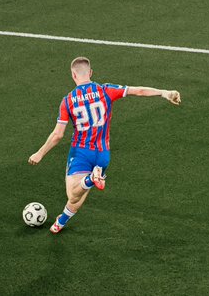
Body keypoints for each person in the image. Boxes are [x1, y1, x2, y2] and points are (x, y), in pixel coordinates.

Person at [27, 57, 181, 233]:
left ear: (73, 74)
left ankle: (91, 178)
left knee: (73, 193)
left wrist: (40, 153)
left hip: (81, 152)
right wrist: (164, 93)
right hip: (102, 154)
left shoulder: (68, 100)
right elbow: (137, 91)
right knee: (81, 194)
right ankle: (61, 221)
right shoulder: (105, 90)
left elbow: (57, 135)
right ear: (91, 73)